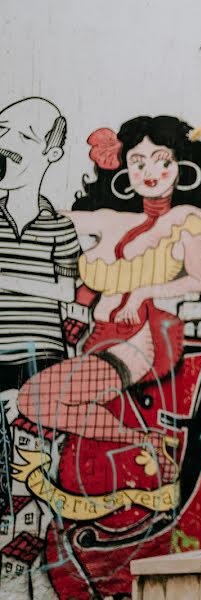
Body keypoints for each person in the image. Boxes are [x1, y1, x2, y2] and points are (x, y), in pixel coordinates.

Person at [16, 115, 201, 473]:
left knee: (35, 398)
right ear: (124, 170)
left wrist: (142, 291)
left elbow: (197, 280)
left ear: (181, 166)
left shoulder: (185, 219)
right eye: (138, 162)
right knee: (43, 402)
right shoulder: (110, 220)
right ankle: (142, 442)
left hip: (136, 341)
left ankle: (141, 442)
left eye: (162, 160)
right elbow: (42, 215)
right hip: (95, 336)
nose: (151, 172)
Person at [0, 96, 79, 501]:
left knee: (36, 469)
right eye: (2, 132)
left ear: (51, 152)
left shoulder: (60, 228)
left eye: (23, 137)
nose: (6, 144)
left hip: (43, 358)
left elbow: (66, 292)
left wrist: (6, 279)